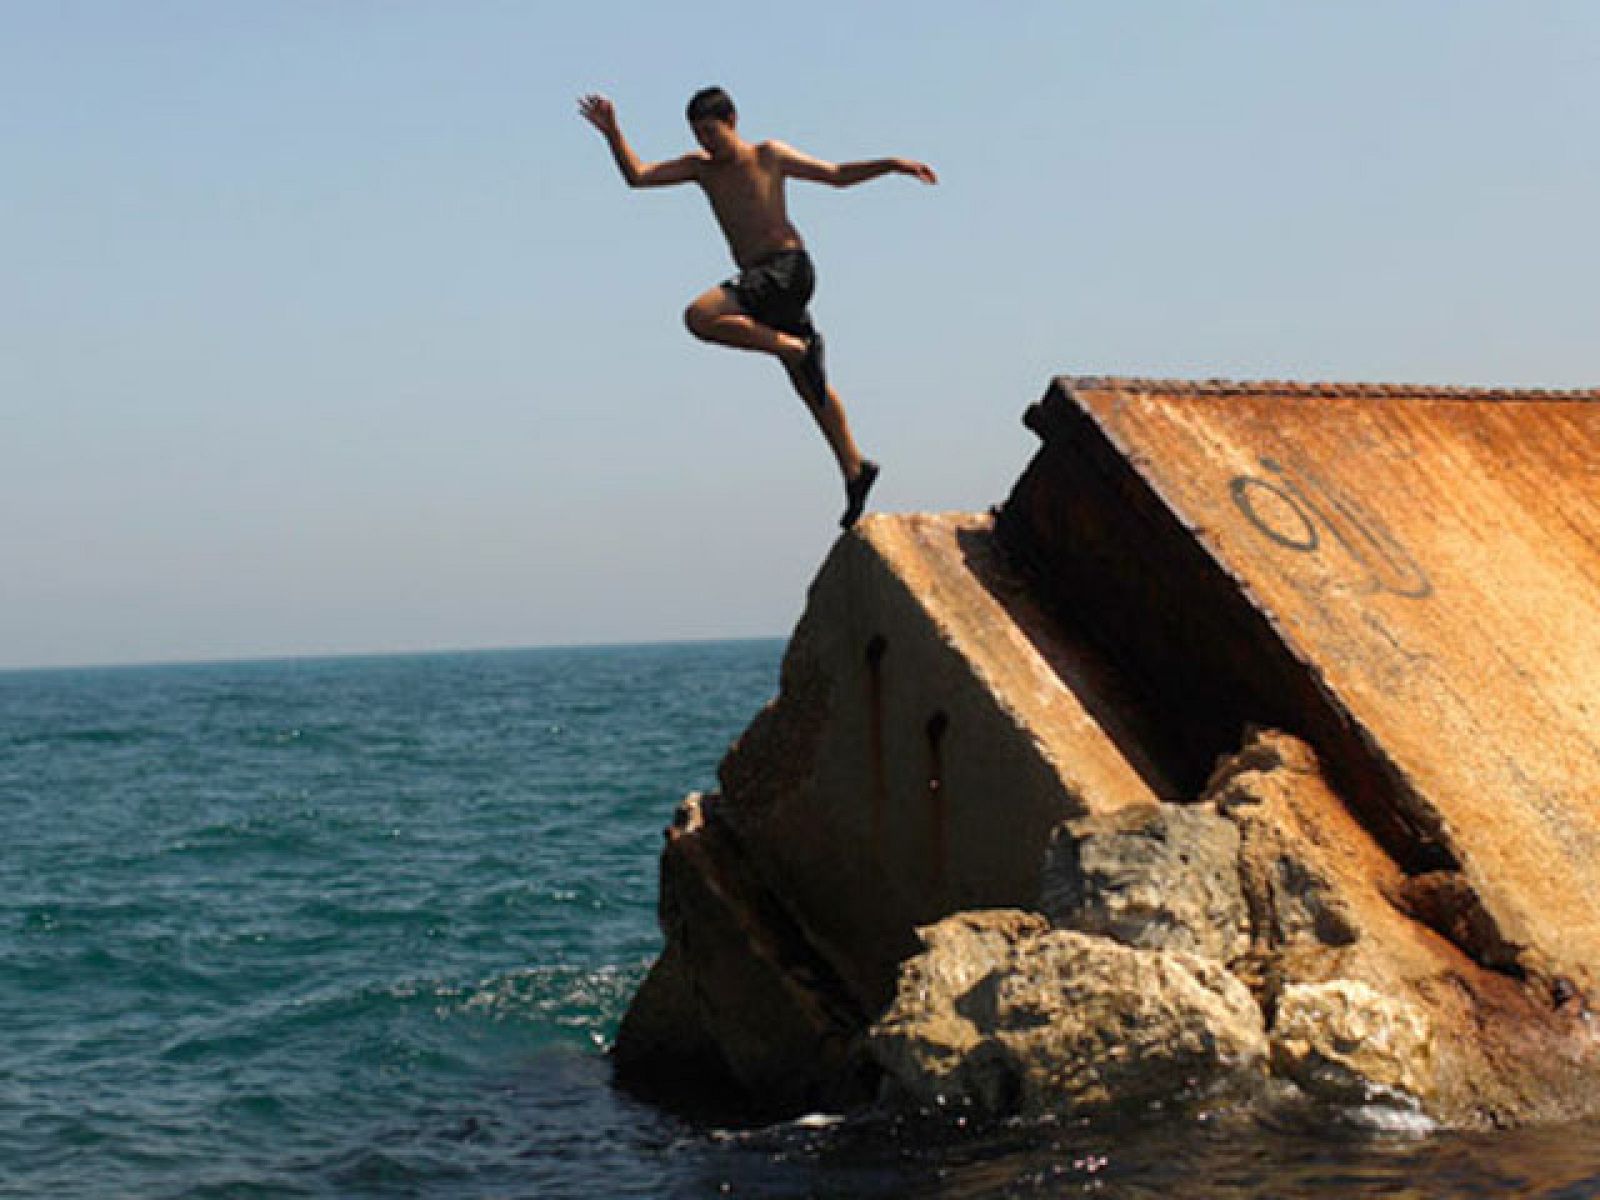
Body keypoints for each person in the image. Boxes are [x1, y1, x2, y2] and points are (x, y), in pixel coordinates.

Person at [579, 86, 937, 528]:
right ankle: (854, 466)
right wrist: (613, 132)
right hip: (762, 282)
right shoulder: (700, 170)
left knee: (700, 316)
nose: (705, 143)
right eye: (697, 135)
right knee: (809, 384)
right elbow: (637, 175)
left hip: (787, 269)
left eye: (711, 132)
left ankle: (793, 348)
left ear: (732, 121)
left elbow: (837, 174)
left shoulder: (769, 156)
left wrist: (892, 164)